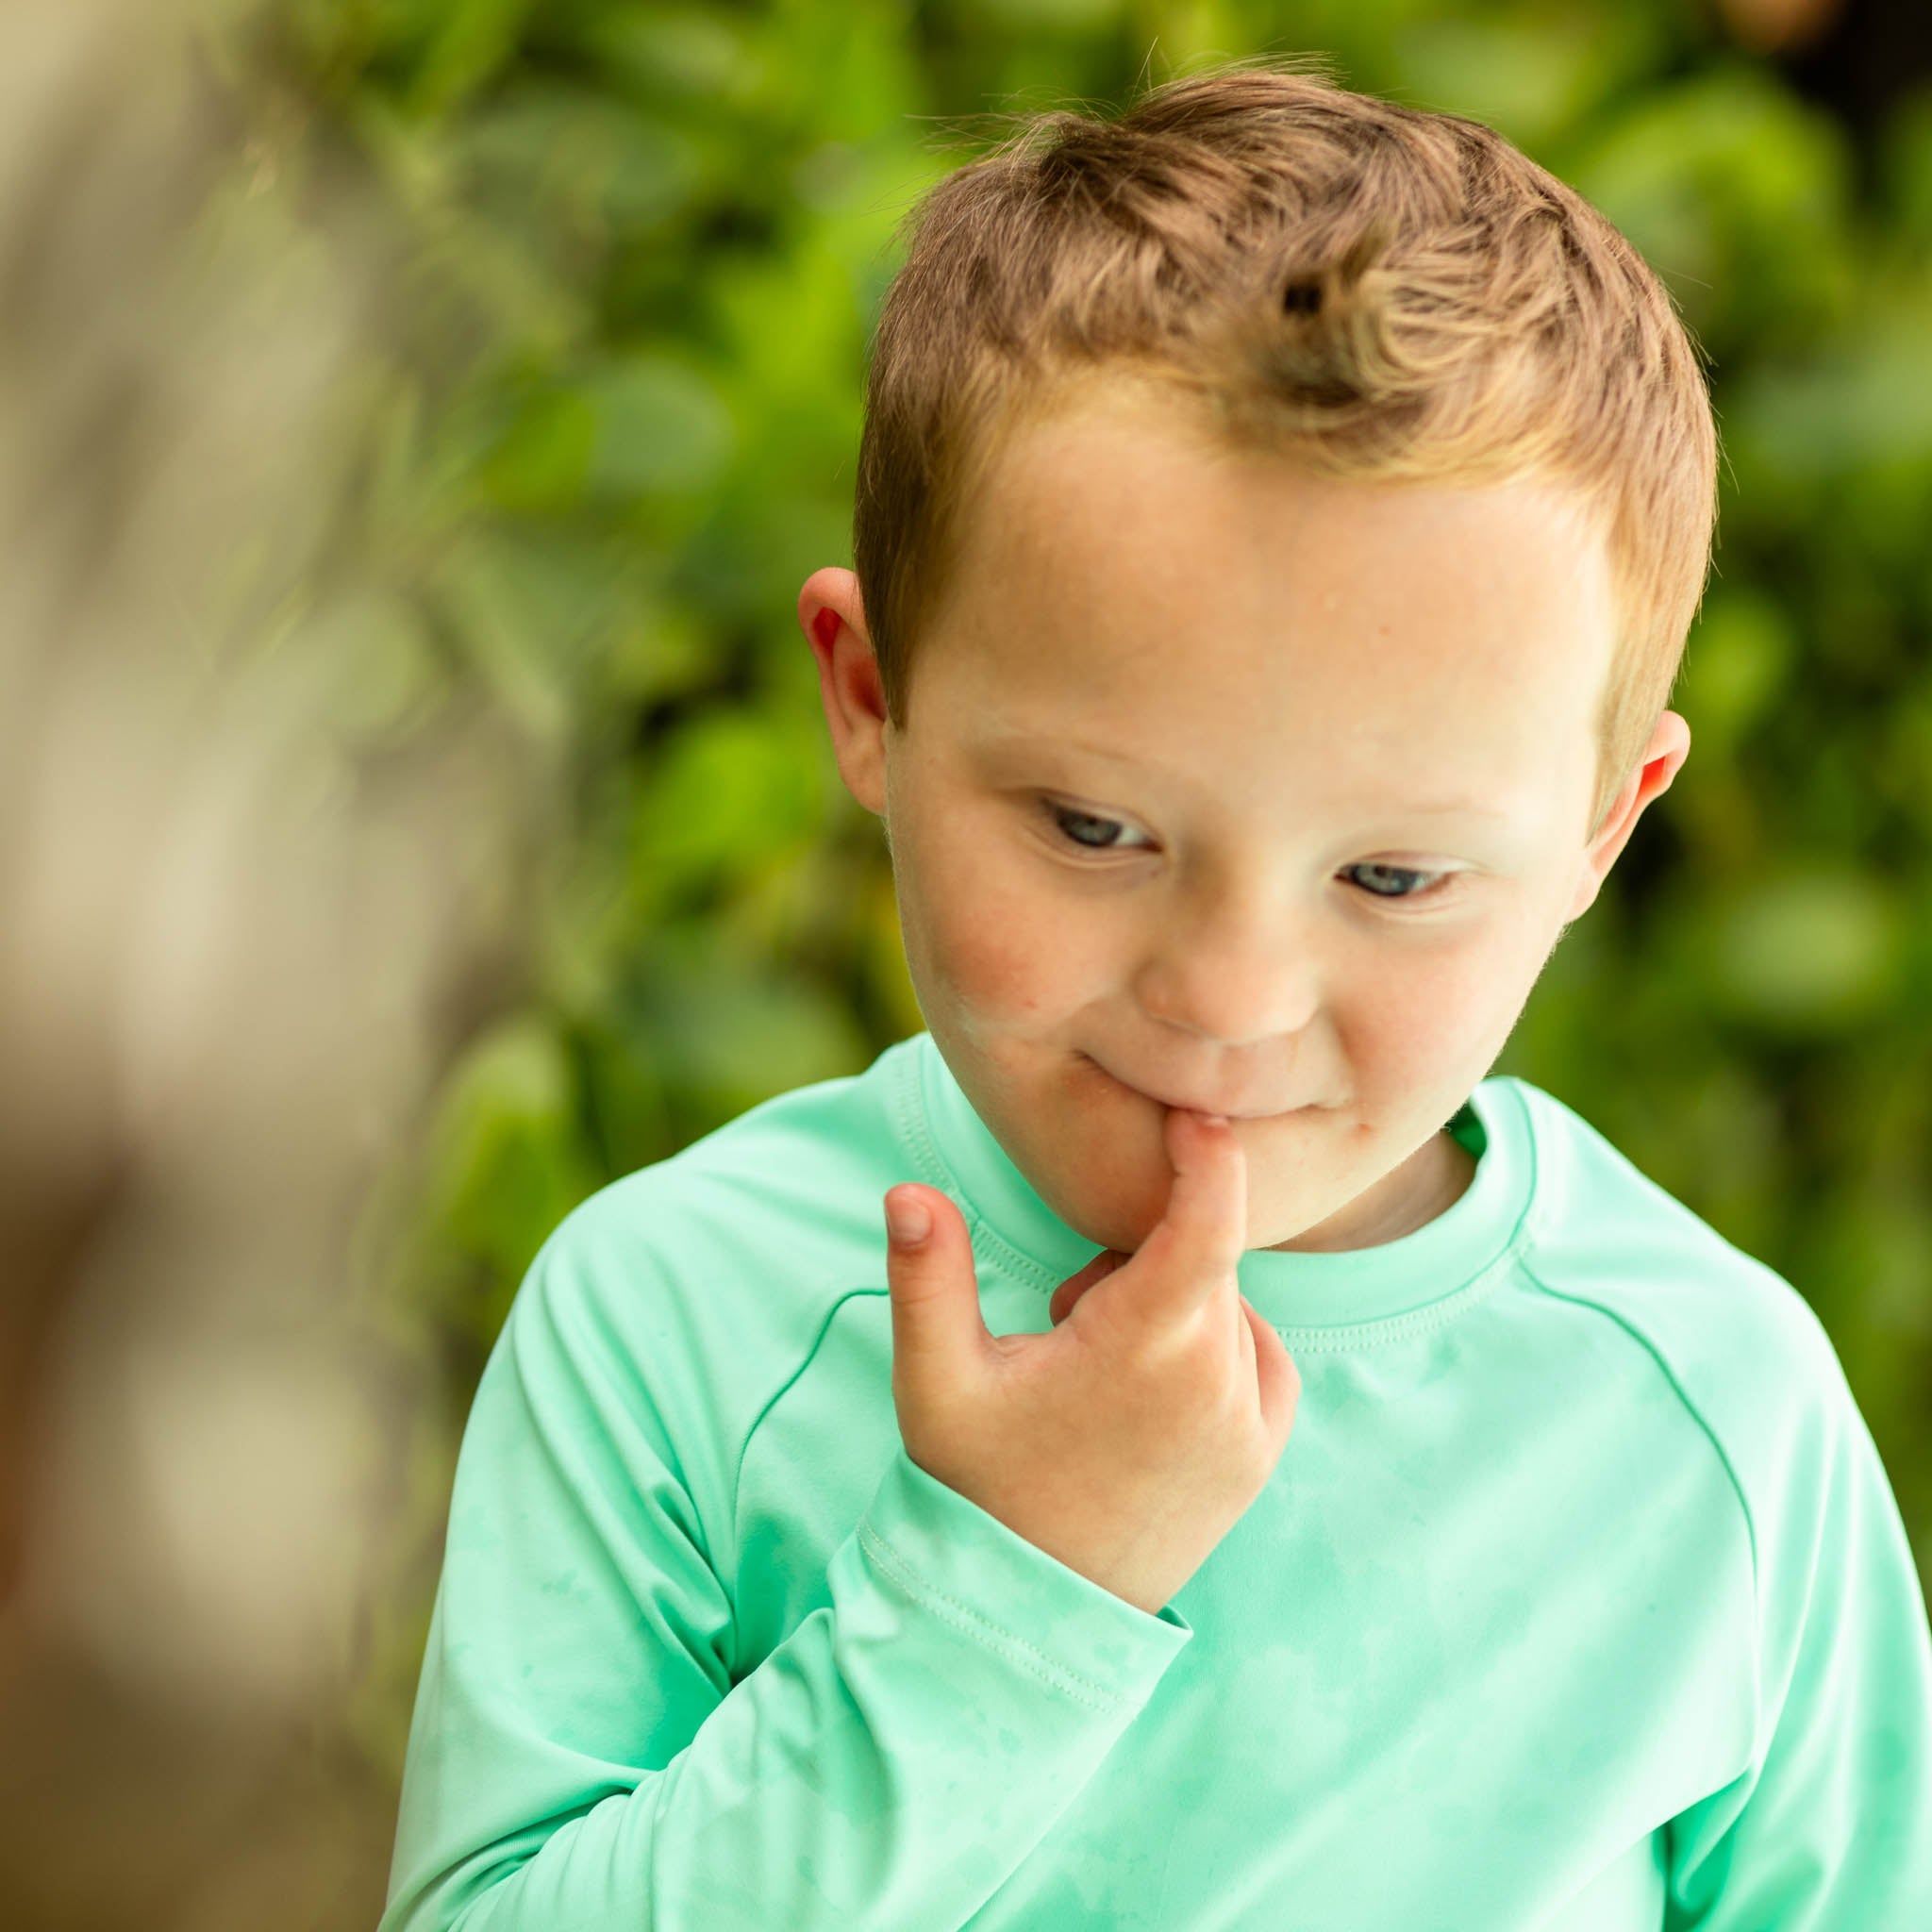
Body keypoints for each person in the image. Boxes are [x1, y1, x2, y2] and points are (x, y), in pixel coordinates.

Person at [378, 56, 1932, 1931]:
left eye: (1392, 876)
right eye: (1099, 825)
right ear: (869, 697)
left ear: (1608, 828)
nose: (1225, 996)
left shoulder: (1715, 1421)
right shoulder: (672, 1326)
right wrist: (1005, 1585)